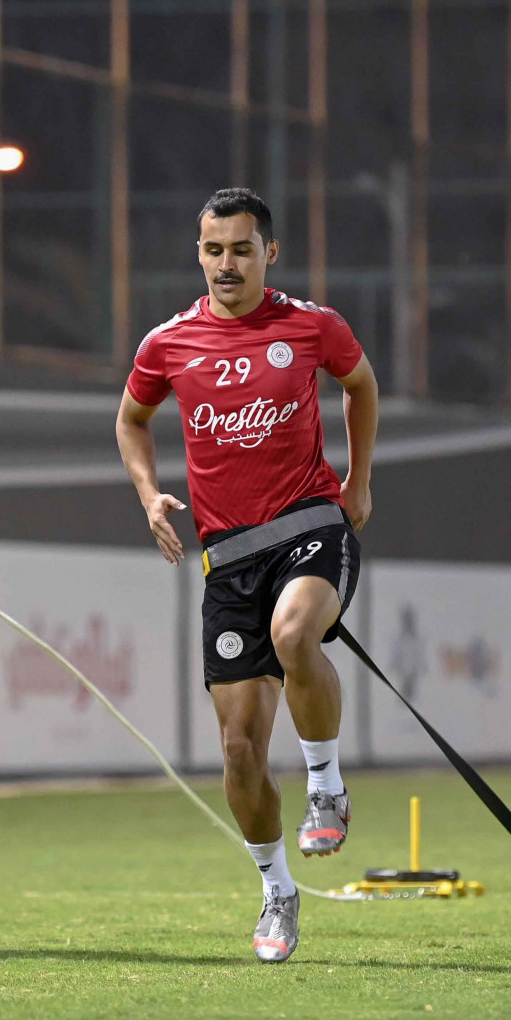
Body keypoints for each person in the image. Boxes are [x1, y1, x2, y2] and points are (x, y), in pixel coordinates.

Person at [116, 188, 378, 963]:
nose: (225, 263)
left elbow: (358, 384)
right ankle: (277, 891)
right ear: (198, 253)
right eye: (212, 249)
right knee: (237, 753)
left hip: (310, 526)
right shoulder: (167, 342)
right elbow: (131, 419)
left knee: (295, 634)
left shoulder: (311, 325)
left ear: (270, 252)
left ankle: (325, 783)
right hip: (227, 557)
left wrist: (359, 481)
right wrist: (148, 494)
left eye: (240, 248)